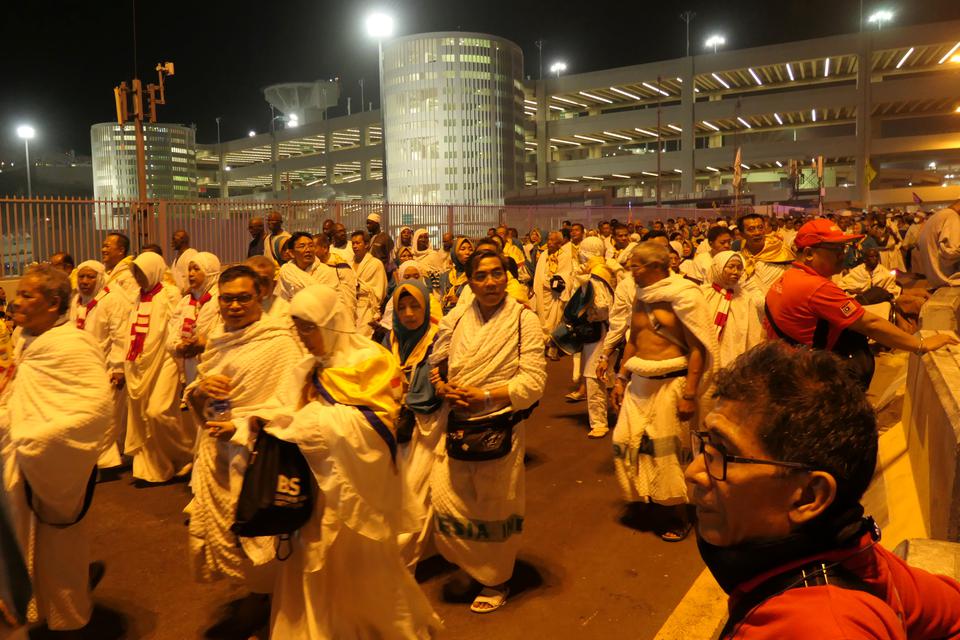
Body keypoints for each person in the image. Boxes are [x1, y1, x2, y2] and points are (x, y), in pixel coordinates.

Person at [686, 341, 960, 639]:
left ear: (809, 496)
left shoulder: (817, 626)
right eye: (707, 445)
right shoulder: (859, 556)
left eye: (724, 453)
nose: (694, 472)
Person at [246, 285, 441, 639]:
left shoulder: (371, 362)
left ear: (329, 323)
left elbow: (372, 430)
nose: (302, 337)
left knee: (362, 577)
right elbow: (283, 408)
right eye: (297, 327)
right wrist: (253, 421)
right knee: (311, 571)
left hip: (354, 496)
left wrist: (299, 427)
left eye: (308, 327)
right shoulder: (307, 367)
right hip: (313, 497)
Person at [182, 266, 302, 636]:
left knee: (263, 529)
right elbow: (199, 395)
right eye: (227, 298)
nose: (234, 306)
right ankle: (258, 592)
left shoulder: (279, 343)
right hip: (216, 449)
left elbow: (290, 405)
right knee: (233, 531)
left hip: (260, 453)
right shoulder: (217, 338)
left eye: (243, 298)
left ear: (261, 296)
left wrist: (242, 426)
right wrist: (201, 391)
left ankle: (277, 599)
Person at [428, 249, 546, 613]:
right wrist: (443, 387)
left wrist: (486, 395)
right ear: (469, 279)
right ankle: (471, 564)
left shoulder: (524, 320)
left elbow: (535, 381)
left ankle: (496, 578)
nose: (491, 282)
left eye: (498, 274)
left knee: (494, 506)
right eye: (482, 275)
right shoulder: (457, 317)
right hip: (457, 424)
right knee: (450, 500)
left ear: (507, 276)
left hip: (499, 427)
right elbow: (436, 362)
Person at [1, 265, 112, 635]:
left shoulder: (73, 345)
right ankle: (40, 608)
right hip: (21, 466)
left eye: (27, 295)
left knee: (60, 552)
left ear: (52, 304)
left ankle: (72, 622)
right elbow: (24, 393)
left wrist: (34, 439)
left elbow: (95, 410)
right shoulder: (26, 338)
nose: (17, 301)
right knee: (28, 548)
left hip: (53, 467)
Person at [764, 219, 957, 390]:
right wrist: (919, 344)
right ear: (808, 253)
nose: (843, 255)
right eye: (836, 250)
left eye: (844, 248)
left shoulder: (789, 276)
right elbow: (870, 324)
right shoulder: (816, 287)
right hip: (809, 375)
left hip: (786, 364)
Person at [612, 242, 716, 541]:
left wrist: (690, 394)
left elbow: (698, 347)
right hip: (639, 382)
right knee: (625, 442)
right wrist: (620, 377)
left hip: (673, 384)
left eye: (636, 267)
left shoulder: (684, 295)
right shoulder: (640, 295)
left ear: (657, 267)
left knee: (665, 451)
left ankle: (677, 512)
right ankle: (649, 496)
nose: (631, 272)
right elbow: (633, 339)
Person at [384, 280, 444, 567]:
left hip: (429, 429)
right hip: (397, 431)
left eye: (415, 306)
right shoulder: (390, 340)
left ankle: (401, 565)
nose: (409, 314)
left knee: (414, 494)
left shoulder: (438, 339)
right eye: (402, 307)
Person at [124, 252, 196, 484]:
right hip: (141, 363)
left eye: (141, 272)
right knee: (145, 416)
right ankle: (157, 468)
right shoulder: (137, 296)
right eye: (135, 272)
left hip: (166, 360)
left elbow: (176, 327)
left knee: (159, 411)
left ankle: (185, 453)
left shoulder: (170, 293)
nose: (138, 277)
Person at [70, 260, 132, 469]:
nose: (85, 281)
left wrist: (117, 367)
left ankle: (101, 461)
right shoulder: (77, 300)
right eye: (82, 276)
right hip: (81, 367)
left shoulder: (111, 300)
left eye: (90, 277)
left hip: (106, 366)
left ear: (101, 278)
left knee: (106, 415)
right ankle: (103, 458)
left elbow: (120, 336)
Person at [568, 237, 617, 438]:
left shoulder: (594, 276)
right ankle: (613, 408)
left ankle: (599, 422)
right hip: (608, 330)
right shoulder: (607, 269)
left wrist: (587, 313)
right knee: (607, 372)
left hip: (598, 332)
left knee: (593, 375)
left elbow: (603, 307)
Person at [167, 252, 221, 388]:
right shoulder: (185, 302)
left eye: (196, 269)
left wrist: (204, 343)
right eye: (189, 269)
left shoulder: (220, 300)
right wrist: (179, 346)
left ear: (210, 272)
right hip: (191, 369)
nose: (191, 274)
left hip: (215, 366)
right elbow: (170, 335)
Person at [702, 252, 765, 368]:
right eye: (731, 267)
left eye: (739, 268)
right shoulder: (703, 294)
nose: (736, 272)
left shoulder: (745, 298)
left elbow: (753, 335)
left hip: (734, 356)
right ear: (718, 268)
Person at [532, 231, 571, 355]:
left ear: (560, 243)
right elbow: (538, 274)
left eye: (552, 240)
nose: (549, 242)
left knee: (556, 319)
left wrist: (551, 281)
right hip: (542, 293)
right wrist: (543, 282)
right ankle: (544, 343)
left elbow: (566, 274)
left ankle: (553, 346)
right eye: (548, 239)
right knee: (542, 318)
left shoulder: (565, 256)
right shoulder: (543, 255)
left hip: (555, 295)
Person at [738, 214, 795, 295]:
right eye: (751, 229)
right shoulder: (740, 258)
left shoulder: (781, 251)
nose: (757, 232)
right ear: (742, 234)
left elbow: (792, 280)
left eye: (760, 227)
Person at [915, 199, 960, 287]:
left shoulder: (939, 215)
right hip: (948, 279)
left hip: (935, 279)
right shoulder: (952, 216)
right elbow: (951, 252)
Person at [351, 230, 388, 337]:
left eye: (358, 243)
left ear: (366, 245)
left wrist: (359, 287)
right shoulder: (348, 264)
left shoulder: (376, 264)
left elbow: (380, 290)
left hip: (368, 307)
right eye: (353, 243)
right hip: (351, 308)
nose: (355, 246)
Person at [276, 232, 323, 302]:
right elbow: (281, 299)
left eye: (311, 246)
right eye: (302, 246)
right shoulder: (286, 271)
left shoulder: (326, 272)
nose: (308, 250)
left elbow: (330, 300)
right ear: (292, 253)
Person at [244, 255, 288, 321]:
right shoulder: (235, 308)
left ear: (274, 285)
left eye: (264, 281)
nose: (258, 286)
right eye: (254, 281)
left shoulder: (285, 311)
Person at [438, 237, 473, 314]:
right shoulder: (445, 276)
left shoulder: (475, 276)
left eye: (470, 249)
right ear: (455, 252)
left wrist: (459, 301)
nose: (467, 252)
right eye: (463, 249)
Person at [101, 232, 140, 301]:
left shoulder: (129, 275)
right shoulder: (101, 272)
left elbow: (132, 303)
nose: (103, 250)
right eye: (103, 246)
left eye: (107, 246)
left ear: (121, 250)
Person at [171, 229, 199, 295]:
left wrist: (185, 296)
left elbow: (196, 280)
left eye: (174, 239)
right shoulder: (176, 258)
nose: (172, 242)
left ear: (183, 241)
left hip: (187, 296)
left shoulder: (192, 254)